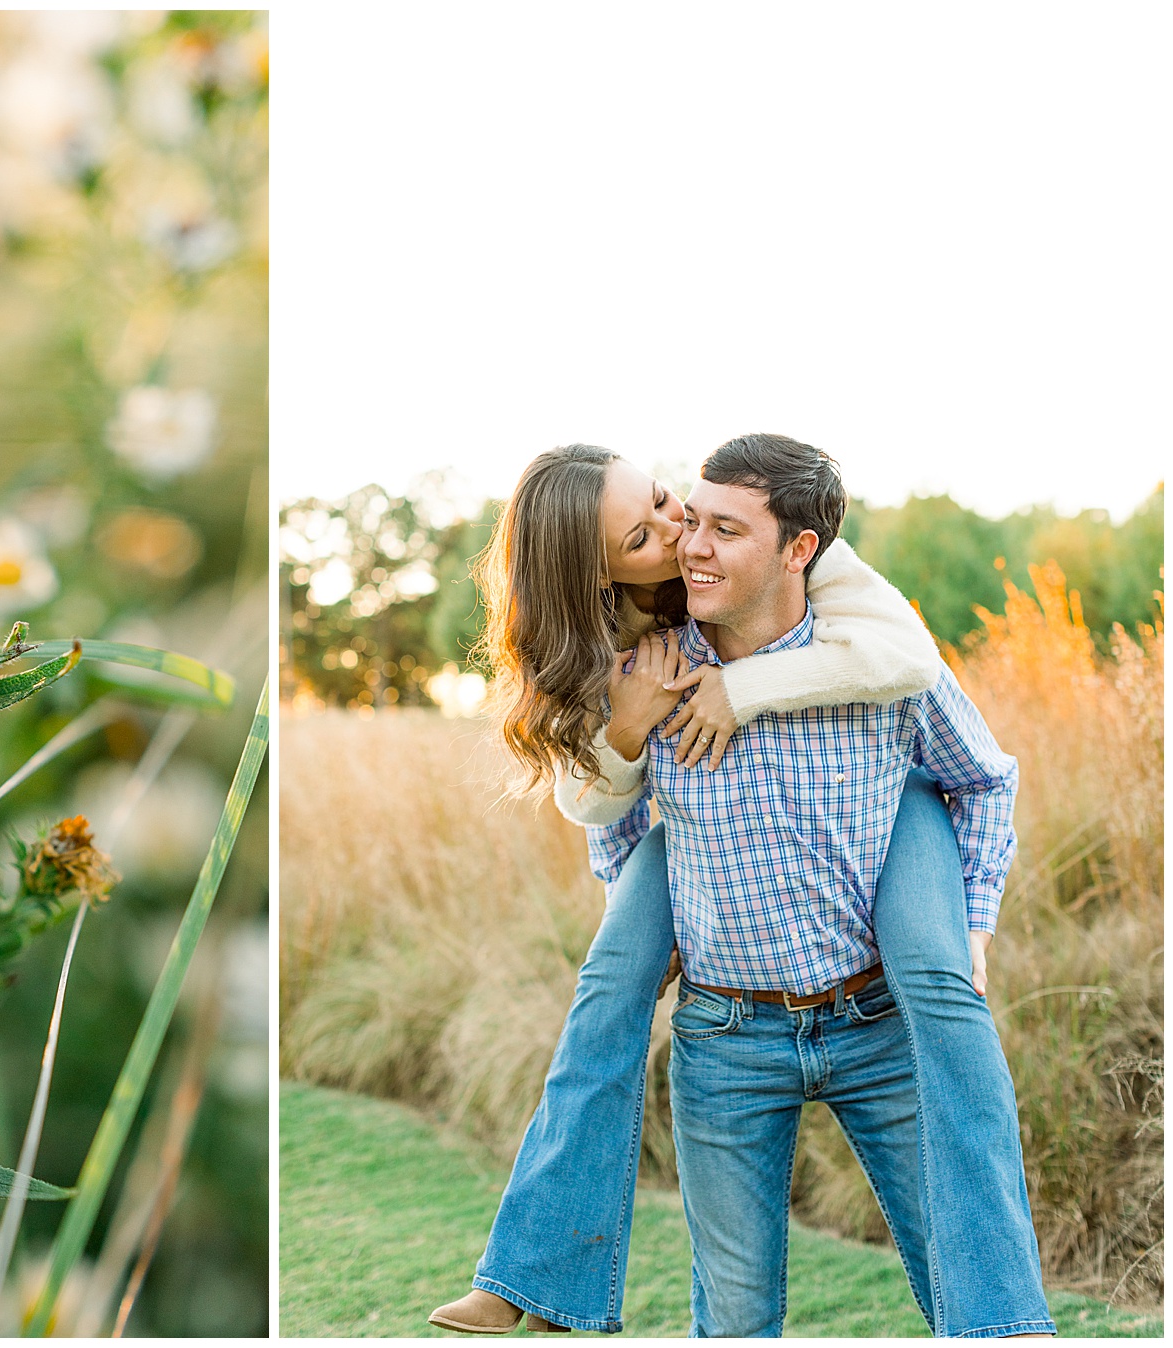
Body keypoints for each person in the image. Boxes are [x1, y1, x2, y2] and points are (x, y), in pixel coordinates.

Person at [429, 438, 1052, 1337]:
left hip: (878, 1019)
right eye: (662, 531)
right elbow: (609, 821)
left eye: (707, 521)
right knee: (733, 1315)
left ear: (798, 549)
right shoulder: (645, 661)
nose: (686, 541)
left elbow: (982, 776)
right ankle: (535, 1281)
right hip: (728, 1037)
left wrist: (977, 924)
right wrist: (640, 906)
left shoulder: (873, 649)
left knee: (965, 1281)